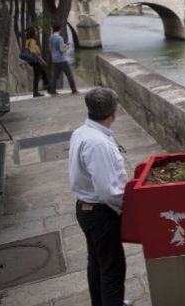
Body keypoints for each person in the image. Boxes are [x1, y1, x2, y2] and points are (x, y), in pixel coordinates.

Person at [69, 88, 131, 306]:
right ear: (114, 112)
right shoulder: (99, 143)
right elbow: (108, 191)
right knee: (113, 268)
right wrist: (126, 208)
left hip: (85, 208)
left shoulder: (81, 133)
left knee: (97, 262)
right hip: (100, 212)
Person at [49, 24, 78, 95]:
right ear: (60, 29)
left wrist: (64, 45)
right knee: (69, 75)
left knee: (56, 76)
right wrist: (67, 48)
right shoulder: (60, 38)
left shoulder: (51, 38)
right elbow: (62, 50)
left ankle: (52, 90)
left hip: (55, 59)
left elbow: (51, 48)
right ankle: (74, 90)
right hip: (62, 59)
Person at [24, 27, 49, 97]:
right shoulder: (32, 41)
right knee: (37, 76)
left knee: (42, 72)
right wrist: (42, 60)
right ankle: (36, 92)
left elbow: (27, 50)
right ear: (33, 33)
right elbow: (33, 52)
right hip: (35, 60)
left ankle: (47, 86)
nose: (36, 32)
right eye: (35, 31)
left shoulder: (27, 40)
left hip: (32, 60)